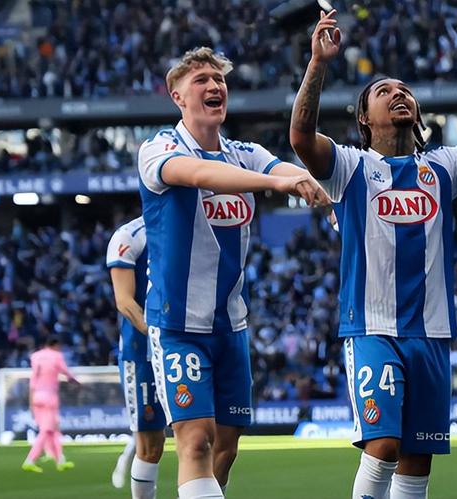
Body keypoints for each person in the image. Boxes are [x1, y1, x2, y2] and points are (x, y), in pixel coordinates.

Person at [290, 10, 457, 499]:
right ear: (364, 118)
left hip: (432, 332)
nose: (399, 93)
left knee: (416, 461)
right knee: (383, 445)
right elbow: (300, 138)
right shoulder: (350, 167)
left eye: (405, 90)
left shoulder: (444, 167)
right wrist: (318, 63)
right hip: (373, 327)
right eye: (384, 91)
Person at [138, 46, 327, 499]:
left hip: (230, 325)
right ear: (177, 96)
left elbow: (286, 168)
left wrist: (315, 186)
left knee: (226, 447)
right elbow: (199, 174)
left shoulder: (245, 153)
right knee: (195, 440)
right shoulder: (158, 149)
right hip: (179, 324)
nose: (214, 86)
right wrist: (278, 183)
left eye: (219, 79)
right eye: (201, 80)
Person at [107, 216, 166, 498]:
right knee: (152, 444)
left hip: (189, 344)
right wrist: (157, 335)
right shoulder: (130, 235)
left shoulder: (193, 228)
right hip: (143, 352)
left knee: (202, 433)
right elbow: (124, 301)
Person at [21, 336, 79, 473]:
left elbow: (34, 378)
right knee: (46, 430)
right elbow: (66, 372)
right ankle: (29, 460)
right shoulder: (56, 356)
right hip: (49, 398)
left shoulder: (36, 356)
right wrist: (75, 381)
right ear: (56, 345)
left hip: (36, 397)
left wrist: (31, 402)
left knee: (53, 430)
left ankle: (60, 461)